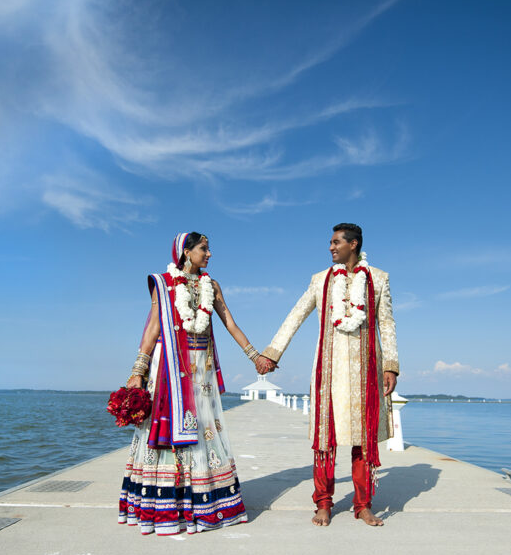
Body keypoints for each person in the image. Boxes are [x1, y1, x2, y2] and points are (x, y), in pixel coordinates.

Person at [119, 232, 265, 535]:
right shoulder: (165, 283)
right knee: (169, 433)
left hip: (202, 372)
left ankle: (202, 502)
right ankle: (167, 506)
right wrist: (138, 369)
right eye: (204, 249)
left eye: (209, 249)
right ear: (186, 252)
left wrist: (255, 356)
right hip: (169, 367)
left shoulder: (212, 286)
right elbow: (154, 327)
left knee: (203, 433)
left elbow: (230, 323)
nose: (209, 254)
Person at [256, 223, 399, 527]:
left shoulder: (379, 279)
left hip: (366, 373)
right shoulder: (320, 280)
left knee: (364, 441)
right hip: (328, 373)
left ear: (354, 244)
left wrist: (391, 366)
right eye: (330, 242)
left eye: (336, 242)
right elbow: (295, 314)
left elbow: (386, 325)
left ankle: (363, 505)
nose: (331, 247)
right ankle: (323, 503)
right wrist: (272, 352)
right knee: (325, 441)